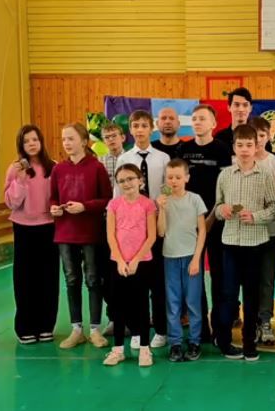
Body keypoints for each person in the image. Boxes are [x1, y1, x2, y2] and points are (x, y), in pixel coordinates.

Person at [214, 124, 275, 360]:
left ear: (256, 146)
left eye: (249, 145)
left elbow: (274, 208)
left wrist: (255, 216)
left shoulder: (266, 176)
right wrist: (222, 210)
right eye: (240, 145)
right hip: (231, 242)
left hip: (256, 244)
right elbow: (217, 207)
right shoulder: (224, 175)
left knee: (252, 295)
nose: (244, 149)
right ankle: (225, 342)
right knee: (229, 294)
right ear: (233, 147)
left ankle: (249, 342)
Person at [50, 123, 113, 349]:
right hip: (65, 233)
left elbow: (107, 199)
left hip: (91, 233)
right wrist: (54, 208)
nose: (66, 143)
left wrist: (85, 207)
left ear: (84, 141)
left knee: (93, 279)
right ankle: (76, 329)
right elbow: (53, 197)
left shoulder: (96, 167)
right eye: (64, 139)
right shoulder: (58, 169)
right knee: (71, 280)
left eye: (71, 138)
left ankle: (95, 329)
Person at [178, 104, 233, 341]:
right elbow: (176, 184)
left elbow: (227, 188)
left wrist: (210, 218)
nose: (197, 122)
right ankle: (200, 331)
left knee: (219, 277)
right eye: (194, 119)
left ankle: (220, 329)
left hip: (216, 222)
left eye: (202, 118)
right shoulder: (184, 149)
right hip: (190, 225)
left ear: (213, 124)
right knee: (194, 277)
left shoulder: (222, 149)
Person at [116, 110, 170, 349]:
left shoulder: (162, 158)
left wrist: (162, 209)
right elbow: (118, 196)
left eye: (144, 126)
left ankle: (161, 329)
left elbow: (167, 189)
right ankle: (138, 328)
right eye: (135, 126)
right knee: (134, 284)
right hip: (132, 230)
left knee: (157, 282)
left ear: (152, 128)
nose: (139, 130)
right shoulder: (124, 159)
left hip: (156, 225)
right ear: (130, 130)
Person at [4, 125, 59, 344]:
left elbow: (58, 196)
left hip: (49, 227)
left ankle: (46, 325)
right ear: (21, 145)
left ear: (41, 141)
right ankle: (25, 326)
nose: (31, 144)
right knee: (25, 278)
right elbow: (11, 202)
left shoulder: (53, 166)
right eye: (26, 141)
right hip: (23, 228)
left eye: (35, 139)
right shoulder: (15, 168)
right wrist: (20, 181)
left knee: (48, 277)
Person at [103, 164, 157, 367]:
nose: (126, 183)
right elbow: (110, 235)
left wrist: (135, 260)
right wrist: (119, 260)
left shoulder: (148, 204)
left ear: (140, 180)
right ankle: (118, 349)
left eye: (130, 179)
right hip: (118, 264)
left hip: (141, 263)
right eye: (122, 181)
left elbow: (151, 236)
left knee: (141, 305)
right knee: (118, 306)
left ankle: (144, 348)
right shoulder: (114, 205)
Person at [157, 159, 208, 362]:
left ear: (187, 178)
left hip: (191, 258)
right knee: (173, 302)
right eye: (170, 177)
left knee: (193, 301)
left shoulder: (195, 199)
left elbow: (202, 230)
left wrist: (197, 258)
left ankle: (195, 341)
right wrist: (161, 209)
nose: (174, 181)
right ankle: (175, 343)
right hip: (170, 257)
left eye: (178, 177)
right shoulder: (163, 201)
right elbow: (161, 232)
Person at [248, 117, 275, 345]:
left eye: (262, 135)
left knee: (267, 278)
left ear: (268, 136)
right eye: (253, 136)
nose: (258, 140)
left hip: (271, 231)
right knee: (249, 278)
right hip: (245, 231)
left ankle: (265, 321)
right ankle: (251, 320)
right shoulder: (238, 162)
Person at [98, 122, 125, 337]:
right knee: (108, 274)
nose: (111, 140)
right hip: (106, 223)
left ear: (123, 137)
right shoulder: (99, 164)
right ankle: (114, 317)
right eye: (107, 137)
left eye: (114, 135)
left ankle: (133, 317)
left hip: (128, 225)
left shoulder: (131, 159)